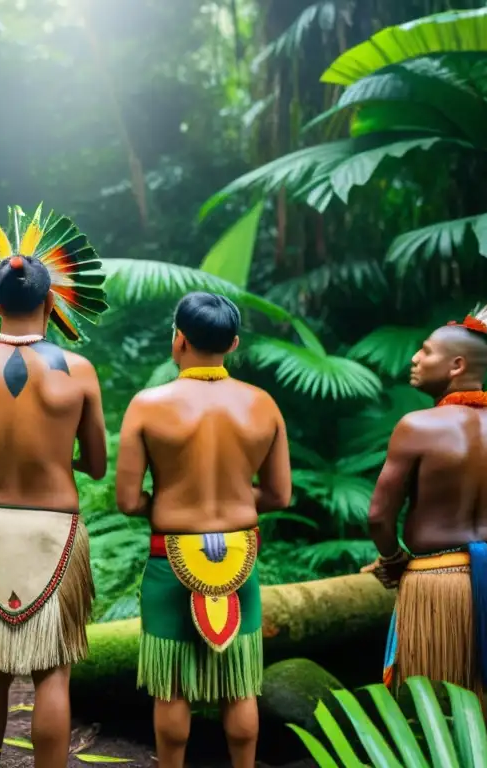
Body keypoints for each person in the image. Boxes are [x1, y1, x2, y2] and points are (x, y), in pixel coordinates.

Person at [0, 205, 109, 768]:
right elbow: (98, 462)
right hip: (53, 527)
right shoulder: (78, 370)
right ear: (52, 301)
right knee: (53, 668)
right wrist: (65, 458)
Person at [115, 291, 291, 768]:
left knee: (171, 687)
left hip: (170, 555)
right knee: (239, 683)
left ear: (179, 340)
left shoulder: (148, 406)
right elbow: (278, 496)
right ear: (232, 343)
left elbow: (128, 500)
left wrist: (177, 497)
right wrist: (234, 495)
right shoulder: (262, 405)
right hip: (239, 557)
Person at [363, 295, 487, 703]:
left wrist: (392, 561)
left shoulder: (417, 426)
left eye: (426, 351)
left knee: (432, 711)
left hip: (433, 585)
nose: (416, 359)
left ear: (456, 366)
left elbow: (378, 517)